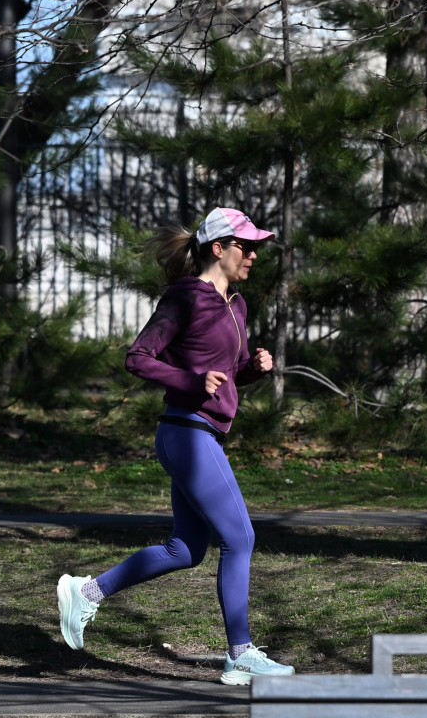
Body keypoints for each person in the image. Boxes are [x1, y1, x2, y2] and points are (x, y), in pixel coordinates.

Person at [56, 207, 295, 686]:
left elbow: (224, 376)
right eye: (244, 246)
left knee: (186, 549)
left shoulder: (237, 304)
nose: (252, 254)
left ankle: (88, 592)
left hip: (202, 432)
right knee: (240, 537)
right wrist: (189, 379)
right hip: (186, 433)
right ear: (218, 248)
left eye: (255, 247)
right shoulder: (186, 297)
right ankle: (240, 654)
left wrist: (253, 369)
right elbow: (137, 357)